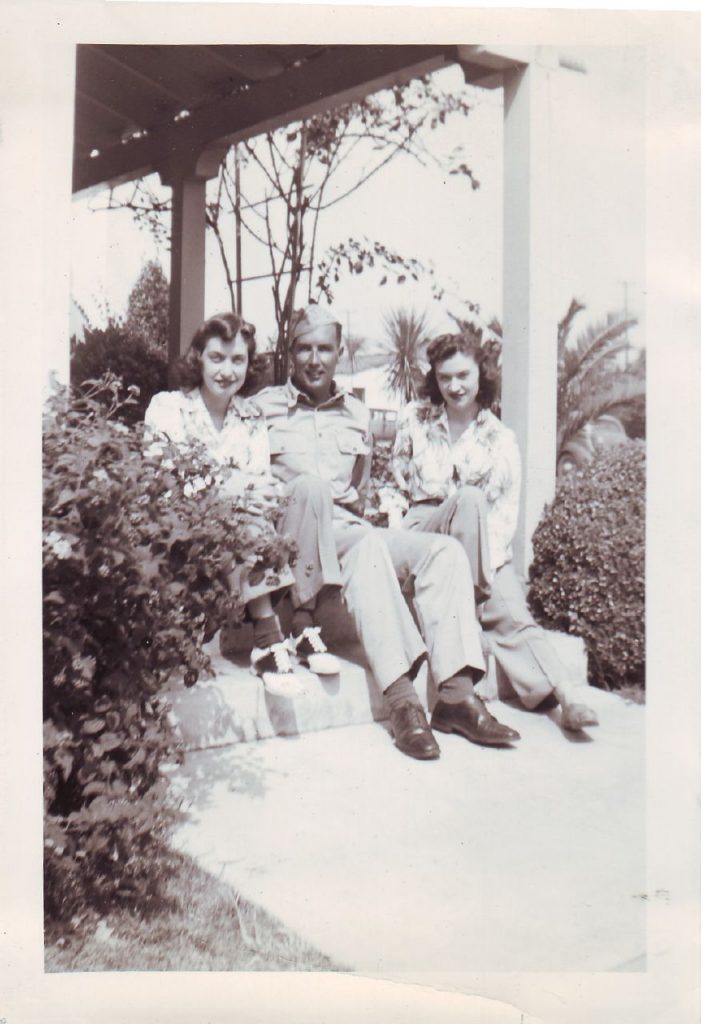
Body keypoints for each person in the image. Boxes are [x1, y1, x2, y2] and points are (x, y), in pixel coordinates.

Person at [255, 305, 520, 760]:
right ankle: (402, 701)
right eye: (303, 349)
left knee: (443, 552)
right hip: (297, 537)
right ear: (289, 353)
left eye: (324, 349)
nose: (314, 359)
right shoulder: (262, 410)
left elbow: (359, 490)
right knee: (369, 547)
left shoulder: (356, 414)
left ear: (340, 353)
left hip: (351, 528)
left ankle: (456, 696)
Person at [387, 329, 599, 733]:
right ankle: (470, 611)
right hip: (422, 534)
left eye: (463, 375)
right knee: (468, 499)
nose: (454, 385)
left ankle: (568, 698)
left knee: (513, 611)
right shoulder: (413, 419)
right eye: (445, 376)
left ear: (481, 375)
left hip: (479, 549)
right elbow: (391, 487)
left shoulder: (500, 439)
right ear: (435, 377)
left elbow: (503, 517)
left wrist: (484, 569)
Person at [143, 311, 339, 699]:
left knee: (300, 492)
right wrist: (231, 486)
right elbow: (164, 484)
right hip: (184, 533)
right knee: (241, 510)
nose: (227, 371)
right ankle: (267, 639)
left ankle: (298, 624)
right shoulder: (168, 408)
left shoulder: (250, 417)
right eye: (217, 357)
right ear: (198, 357)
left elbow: (258, 482)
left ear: (249, 366)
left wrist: (243, 490)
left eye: (238, 360)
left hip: (241, 531)